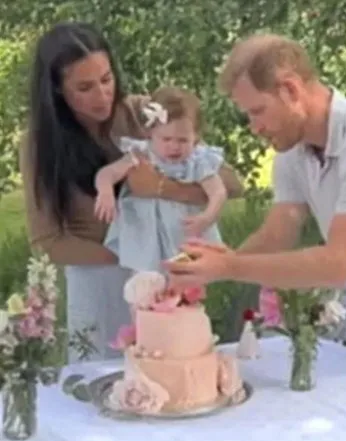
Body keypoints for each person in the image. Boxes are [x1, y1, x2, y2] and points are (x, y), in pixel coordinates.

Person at [166, 33, 346, 374]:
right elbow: (276, 236)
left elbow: (337, 264)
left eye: (258, 111)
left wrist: (228, 267)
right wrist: (211, 265)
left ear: (291, 89)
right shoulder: (293, 154)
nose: (254, 127)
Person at [19, 22, 243, 363]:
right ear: (58, 90)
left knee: (169, 370)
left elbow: (230, 182)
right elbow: (49, 242)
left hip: (162, 276)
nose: (102, 95)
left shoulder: (143, 114)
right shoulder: (40, 145)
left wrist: (163, 188)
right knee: (101, 380)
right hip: (97, 280)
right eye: (85, 87)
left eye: (107, 79)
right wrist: (134, 258)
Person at [94, 86, 226, 273]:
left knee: (186, 284)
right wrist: (105, 191)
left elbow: (218, 192)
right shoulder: (140, 154)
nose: (174, 147)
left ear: (195, 137)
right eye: (166, 139)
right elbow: (107, 173)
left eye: (182, 140)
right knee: (145, 286)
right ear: (150, 133)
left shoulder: (197, 160)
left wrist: (207, 217)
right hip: (145, 237)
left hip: (183, 235)